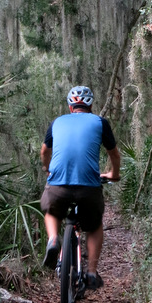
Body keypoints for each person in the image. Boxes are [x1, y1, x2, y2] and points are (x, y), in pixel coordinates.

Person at [40, 85, 121, 289]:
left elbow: (44, 152)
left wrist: (47, 168)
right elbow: (114, 155)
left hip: (58, 184)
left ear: (70, 106)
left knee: (51, 210)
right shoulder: (100, 122)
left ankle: (52, 240)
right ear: (91, 106)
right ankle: (92, 273)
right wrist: (114, 174)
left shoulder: (57, 122)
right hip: (89, 186)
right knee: (93, 226)